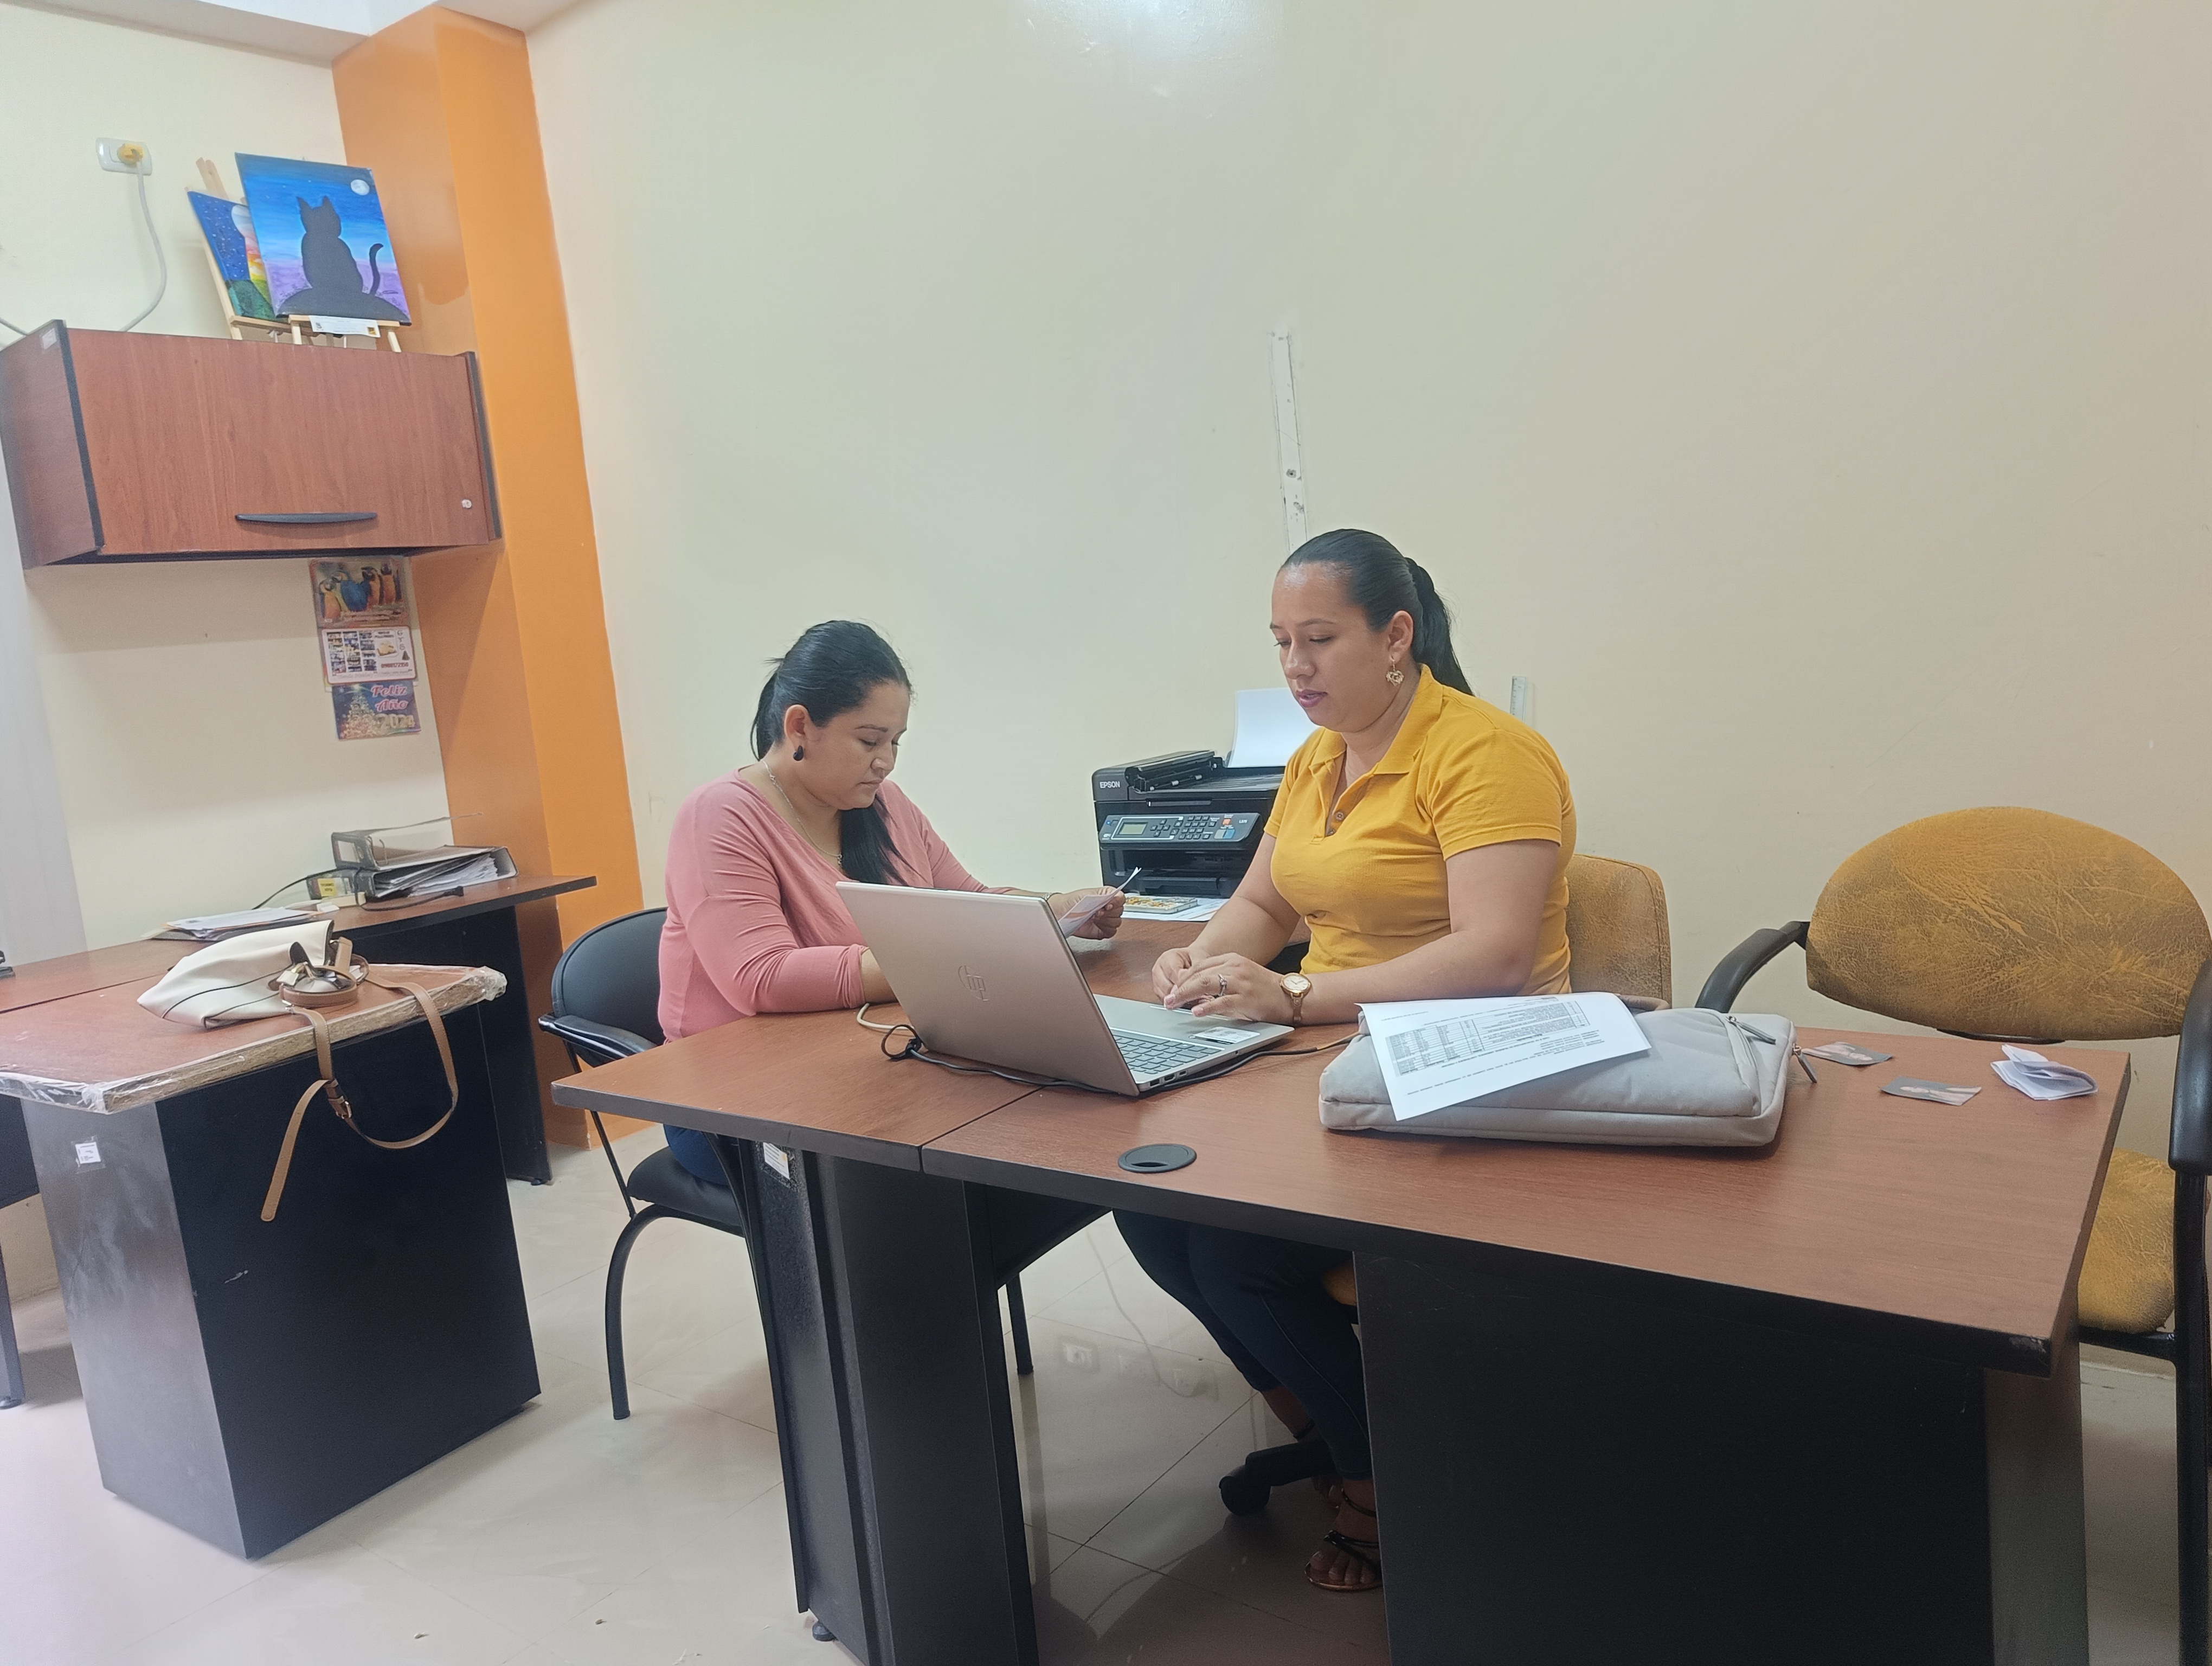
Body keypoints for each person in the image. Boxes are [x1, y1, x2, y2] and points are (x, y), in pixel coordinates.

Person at [1116, 529, 1576, 1594]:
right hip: (1327, 1055)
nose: (1296, 665)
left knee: (1239, 1255)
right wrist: (1203, 957)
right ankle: (1328, 1423)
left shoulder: (1487, 753)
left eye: (1319, 638)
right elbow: (1265, 902)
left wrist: (1293, 996)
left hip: (1472, 1064)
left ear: (1396, 635)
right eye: (1282, 641)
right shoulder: (1319, 756)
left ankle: (1375, 1478)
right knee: (1149, 1202)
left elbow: (1498, 955)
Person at [655, 619, 1121, 1264]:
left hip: (863, 1064)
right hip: (733, 1105)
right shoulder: (721, 814)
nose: (887, 761)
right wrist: (932, 960)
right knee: (928, 1185)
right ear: (800, 727)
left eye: (896, 742)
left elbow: (967, 902)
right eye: (870, 740)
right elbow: (760, 978)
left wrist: (1054, 911)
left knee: (1054, 1121)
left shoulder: (884, 804)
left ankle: (945, 1291)